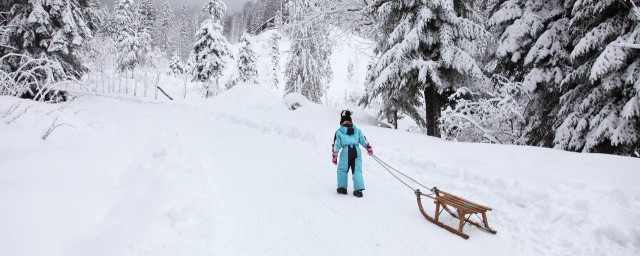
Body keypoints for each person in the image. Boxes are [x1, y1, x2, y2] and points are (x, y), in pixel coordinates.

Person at [331, 110, 373, 197]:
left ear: (341, 121)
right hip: (357, 151)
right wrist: (368, 147)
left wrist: (335, 155)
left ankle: (342, 188)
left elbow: (336, 144)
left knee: (342, 169)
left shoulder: (339, 132)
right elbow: (363, 139)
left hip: (346, 151)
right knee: (357, 170)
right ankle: (358, 190)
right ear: (351, 120)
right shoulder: (357, 130)